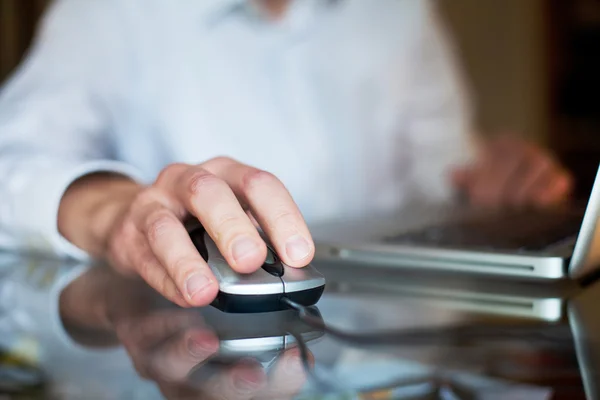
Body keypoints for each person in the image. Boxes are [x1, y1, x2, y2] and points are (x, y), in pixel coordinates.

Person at [0, 0, 572, 308]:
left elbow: (439, 170)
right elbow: (11, 162)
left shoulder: (400, 11)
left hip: (386, 352)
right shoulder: (107, 13)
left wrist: (487, 188)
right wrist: (112, 212)